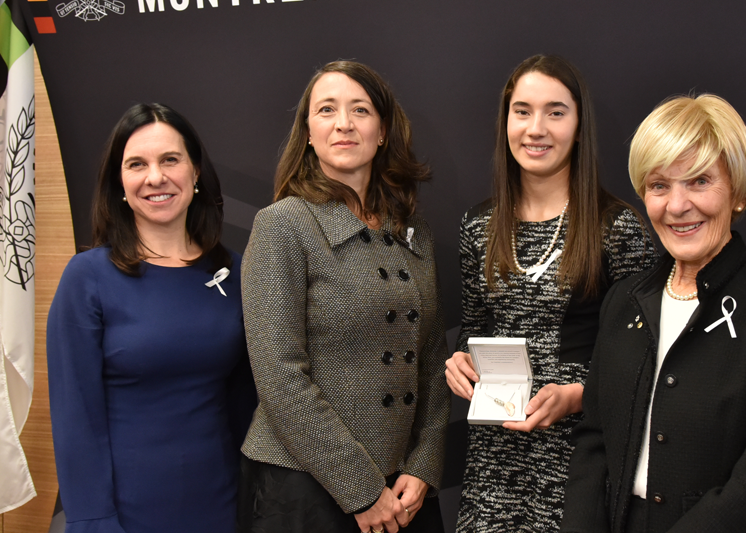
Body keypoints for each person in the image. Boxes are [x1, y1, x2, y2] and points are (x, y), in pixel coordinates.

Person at [560, 94, 746, 533]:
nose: (678, 205)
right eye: (659, 185)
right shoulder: (624, 300)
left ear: (737, 191)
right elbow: (594, 439)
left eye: (699, 181)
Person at [444, 54, 655, 532]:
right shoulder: (479, 226)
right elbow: (474, 331)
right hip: (493, 468)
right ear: (506, 123)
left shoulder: (617, 228)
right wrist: (460, 363)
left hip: (579, 462)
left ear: (579, 127)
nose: (536, 128)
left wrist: (578, 396)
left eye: (555, 112)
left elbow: (644, 362)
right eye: (522, 111)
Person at [238, 61, 448, 533]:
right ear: (308, 133)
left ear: (382, 131)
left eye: (360, 110)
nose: (344, 123)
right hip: (305, 491)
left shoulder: (415, 234)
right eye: (327, 110)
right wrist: (360, 489)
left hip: (403, 492)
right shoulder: (283, 225)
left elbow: (433, 360)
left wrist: (423, 465)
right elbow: (279, 376)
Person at [48, 103, 255, 533]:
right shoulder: (87, 278)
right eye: (136, 164)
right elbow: (75, 419)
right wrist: (93, 520)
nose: (155, 177)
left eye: (170, 160)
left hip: (222, 503)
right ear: (119, 183)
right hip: (124, 511)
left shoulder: (235, 272)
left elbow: (246, 402)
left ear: (195, 173)